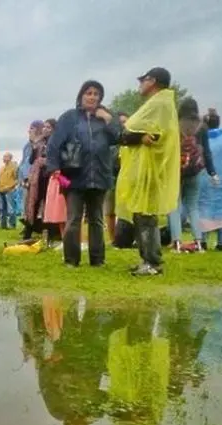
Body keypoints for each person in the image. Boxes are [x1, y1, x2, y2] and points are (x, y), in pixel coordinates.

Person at [47, 80, 120, 267]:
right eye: (89, 93)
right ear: (81, 96)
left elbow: (119, 136)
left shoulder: (105, 118)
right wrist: (54, 167)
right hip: (75, 177)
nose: (92, 97)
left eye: (96, 94)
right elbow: (54, 144)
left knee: (96, 219)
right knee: (73, 219)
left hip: (100, 176)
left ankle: (97, 260)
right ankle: (71, 259)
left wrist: (108, 119)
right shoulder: (69, 118)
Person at [116, 67, 180, 276]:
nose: (140, 85)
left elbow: (132, 126)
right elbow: (132, 132)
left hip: (150, 167)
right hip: (145, 165)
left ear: (152, 81)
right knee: (141, 213)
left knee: (146, 215)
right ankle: (147, 258)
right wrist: (135, 136)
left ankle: (152, 262)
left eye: (142, 80)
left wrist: (134, 135)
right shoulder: (160, 102)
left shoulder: (160, 102)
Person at [168, 98, 218, 253]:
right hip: (195, 171)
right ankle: (198, 242)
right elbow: (207, 152)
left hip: (175, 169)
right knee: (193, 206)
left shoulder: (174, 125)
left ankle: (176, 242)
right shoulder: (202, 127)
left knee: (174, 206)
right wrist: (212, 172)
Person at [199, 110, 222, 251]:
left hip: (205, 178)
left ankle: (202, 240)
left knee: (203, 208)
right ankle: (221, 242)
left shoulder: (201, 137)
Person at [105, 112, 129, 243]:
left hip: (127, 178)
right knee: (110, 210)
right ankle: (112, 238)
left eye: (125, 121)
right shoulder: (112, 141)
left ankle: (126, 236)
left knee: (126, 210)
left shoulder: (132, 140)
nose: (123, 124)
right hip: (112, 177)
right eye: (121, 122)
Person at [0, 152, 18, 229]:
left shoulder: (14, 167)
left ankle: (12, 224)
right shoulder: (2, 168)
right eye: (3, 157)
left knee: (10, 208)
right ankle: (3, 224)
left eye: (6, 157)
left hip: (9, 190)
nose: (4, 158)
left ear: (10, 158)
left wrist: (10, 186)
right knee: (2, 208)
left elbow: (17, 179)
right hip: (1, 190)